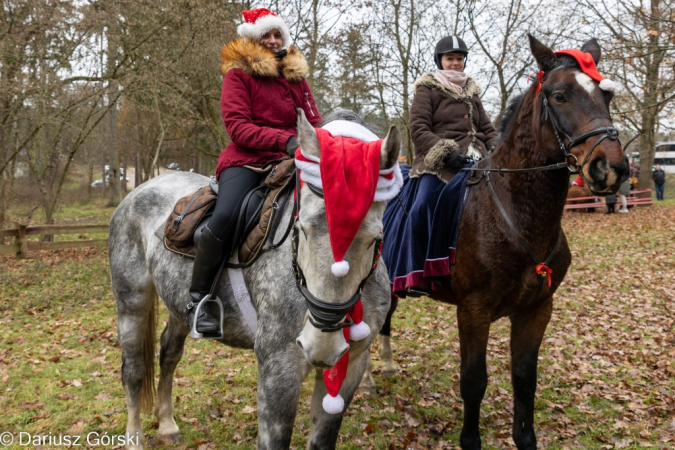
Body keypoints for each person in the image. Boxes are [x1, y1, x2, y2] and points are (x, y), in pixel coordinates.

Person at [186, 8, 322, 335]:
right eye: (267, 34)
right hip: (246, 160)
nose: (274, 40)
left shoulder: (296, 78)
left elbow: (314, 121)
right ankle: (199, 300)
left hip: (293, 158)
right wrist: (285, 140)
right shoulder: (238, 75)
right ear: (252, 38)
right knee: (225, 217)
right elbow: (238, 128)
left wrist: (320, 141)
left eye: (278, 35)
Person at [382, 36, 498, 297]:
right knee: (422, 207)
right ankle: (418, 273)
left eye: (459, 58)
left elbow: (487, 129)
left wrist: (499, 150)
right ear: (440, 61)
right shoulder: (427, 88)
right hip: (439, 165)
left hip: (478, 162)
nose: (456, 63)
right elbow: (419, 128)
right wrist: (446, 153)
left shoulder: (472, 91)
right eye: (450, 58)